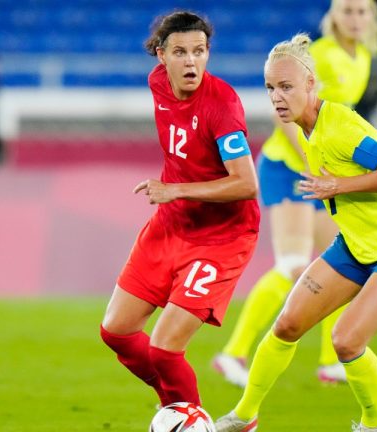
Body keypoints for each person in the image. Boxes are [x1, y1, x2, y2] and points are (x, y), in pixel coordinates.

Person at [215, 33, 377, 432]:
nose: (277, 97)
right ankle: (244, 417)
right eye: (270, 88)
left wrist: (338, 186)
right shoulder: (307, 127)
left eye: (286, 87)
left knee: (346, 341)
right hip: (355, 246)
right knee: (287, 325)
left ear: (310, 85)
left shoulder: (341, 128)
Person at [213, 0, 377, 387]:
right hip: (290, 168)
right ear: (334, 16)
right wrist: (310, 158)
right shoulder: (320, 56)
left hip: (319, 171)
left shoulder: (362, 57)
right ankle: (234, 352)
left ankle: (330, 360)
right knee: (292, 265)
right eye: (348, 11)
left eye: (362, 12)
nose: (355, 19)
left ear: (372, 18)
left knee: (342, 266)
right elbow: (282, 109)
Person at [99, 11, 260, 409]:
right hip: (171, 226)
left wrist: (176, 190)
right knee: (116, 332)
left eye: (200, 51)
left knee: (165, 350)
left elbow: (246, 184)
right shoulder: (158, 84)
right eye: (181, 52)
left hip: (220, 238)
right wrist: (175, 197)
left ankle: (189, 416)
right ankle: (176, 406)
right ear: (160, 55)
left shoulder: (222, 105)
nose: (191, 62)